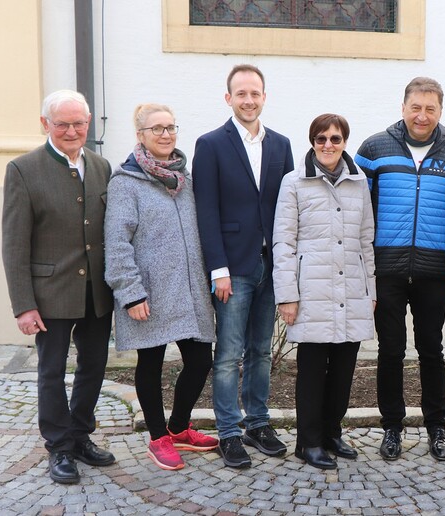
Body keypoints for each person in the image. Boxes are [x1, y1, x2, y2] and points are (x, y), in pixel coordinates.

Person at [355, 77, 445, 462]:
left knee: (431, 350)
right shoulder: (373, 149)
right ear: (403, 107)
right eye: (416, 107)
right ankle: (392, 427)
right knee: (390, 350)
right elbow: (359, 213)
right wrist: (364, 270)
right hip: (385, 270)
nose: (422, 116)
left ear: (441, 111)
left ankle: (437, 426)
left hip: (432, 273)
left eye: (431, 109)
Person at [2, 89, 116, 484]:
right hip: (50, 293)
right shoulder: (23, 169)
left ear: (88, 122)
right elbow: (14, 244)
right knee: (51, 371)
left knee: (94, 366)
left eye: (79, 122)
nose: (72, 130)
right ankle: (59, 447)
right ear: (45, 124)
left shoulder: (101, 166)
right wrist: (23, 305)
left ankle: (81, 434)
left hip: (97, 293)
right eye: (62, 123)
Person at [104, 104, 218, 471]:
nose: (166, 135)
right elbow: (117, 242)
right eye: (157, 129)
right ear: (140, 135)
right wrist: (130, 292)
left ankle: (179, 427)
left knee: (201, 360)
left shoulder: (184, 180)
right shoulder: (125, 182)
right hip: (148, 292)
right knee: (150, 362)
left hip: (188, 289)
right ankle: (157, 437)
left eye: (171, 127)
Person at [193, 64, 294, 468]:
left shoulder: (281, 144)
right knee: (229, 352)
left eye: (255, 93)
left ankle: (258, 422)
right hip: (232, 268)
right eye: (241, 94)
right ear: (228, 98)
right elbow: (207, 209)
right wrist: (217, 267)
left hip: (271, 264)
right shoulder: (212, 143)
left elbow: (289, 208)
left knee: (260, 351)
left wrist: (289, 266)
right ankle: (230, 432)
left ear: (264, 97)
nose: (248, 100)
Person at [273, 114, 376, 470]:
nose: (328, 145)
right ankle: (308, 442)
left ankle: (332, 433)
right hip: (311, 290)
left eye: (335, 139)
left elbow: (367, 239)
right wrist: (287, 294)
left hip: (351, 289)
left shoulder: (359, 182)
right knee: (313, 370)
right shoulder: (294, 182)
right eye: (321, 139)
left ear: (345, 141)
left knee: (344, 369)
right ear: (312, 142)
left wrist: (371, 289)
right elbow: (283, 241)